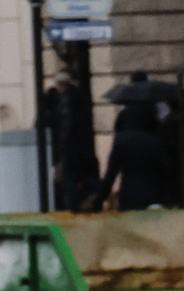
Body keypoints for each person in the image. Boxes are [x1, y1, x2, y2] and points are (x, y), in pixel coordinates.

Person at [98, 79, 176, 211]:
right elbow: (167, 168)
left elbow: (111, 173)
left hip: (129, 197)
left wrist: (99, 199)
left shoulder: (122, 141)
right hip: (153, 197)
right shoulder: (154, 141)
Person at [42, 68, 100, 213]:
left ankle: (70, 205)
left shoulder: (53, 100)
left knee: (66, 180)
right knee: (71, 179)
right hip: (75, 148)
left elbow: (44, 122)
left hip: (64, 149)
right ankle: (77, 204)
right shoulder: (77, 98)